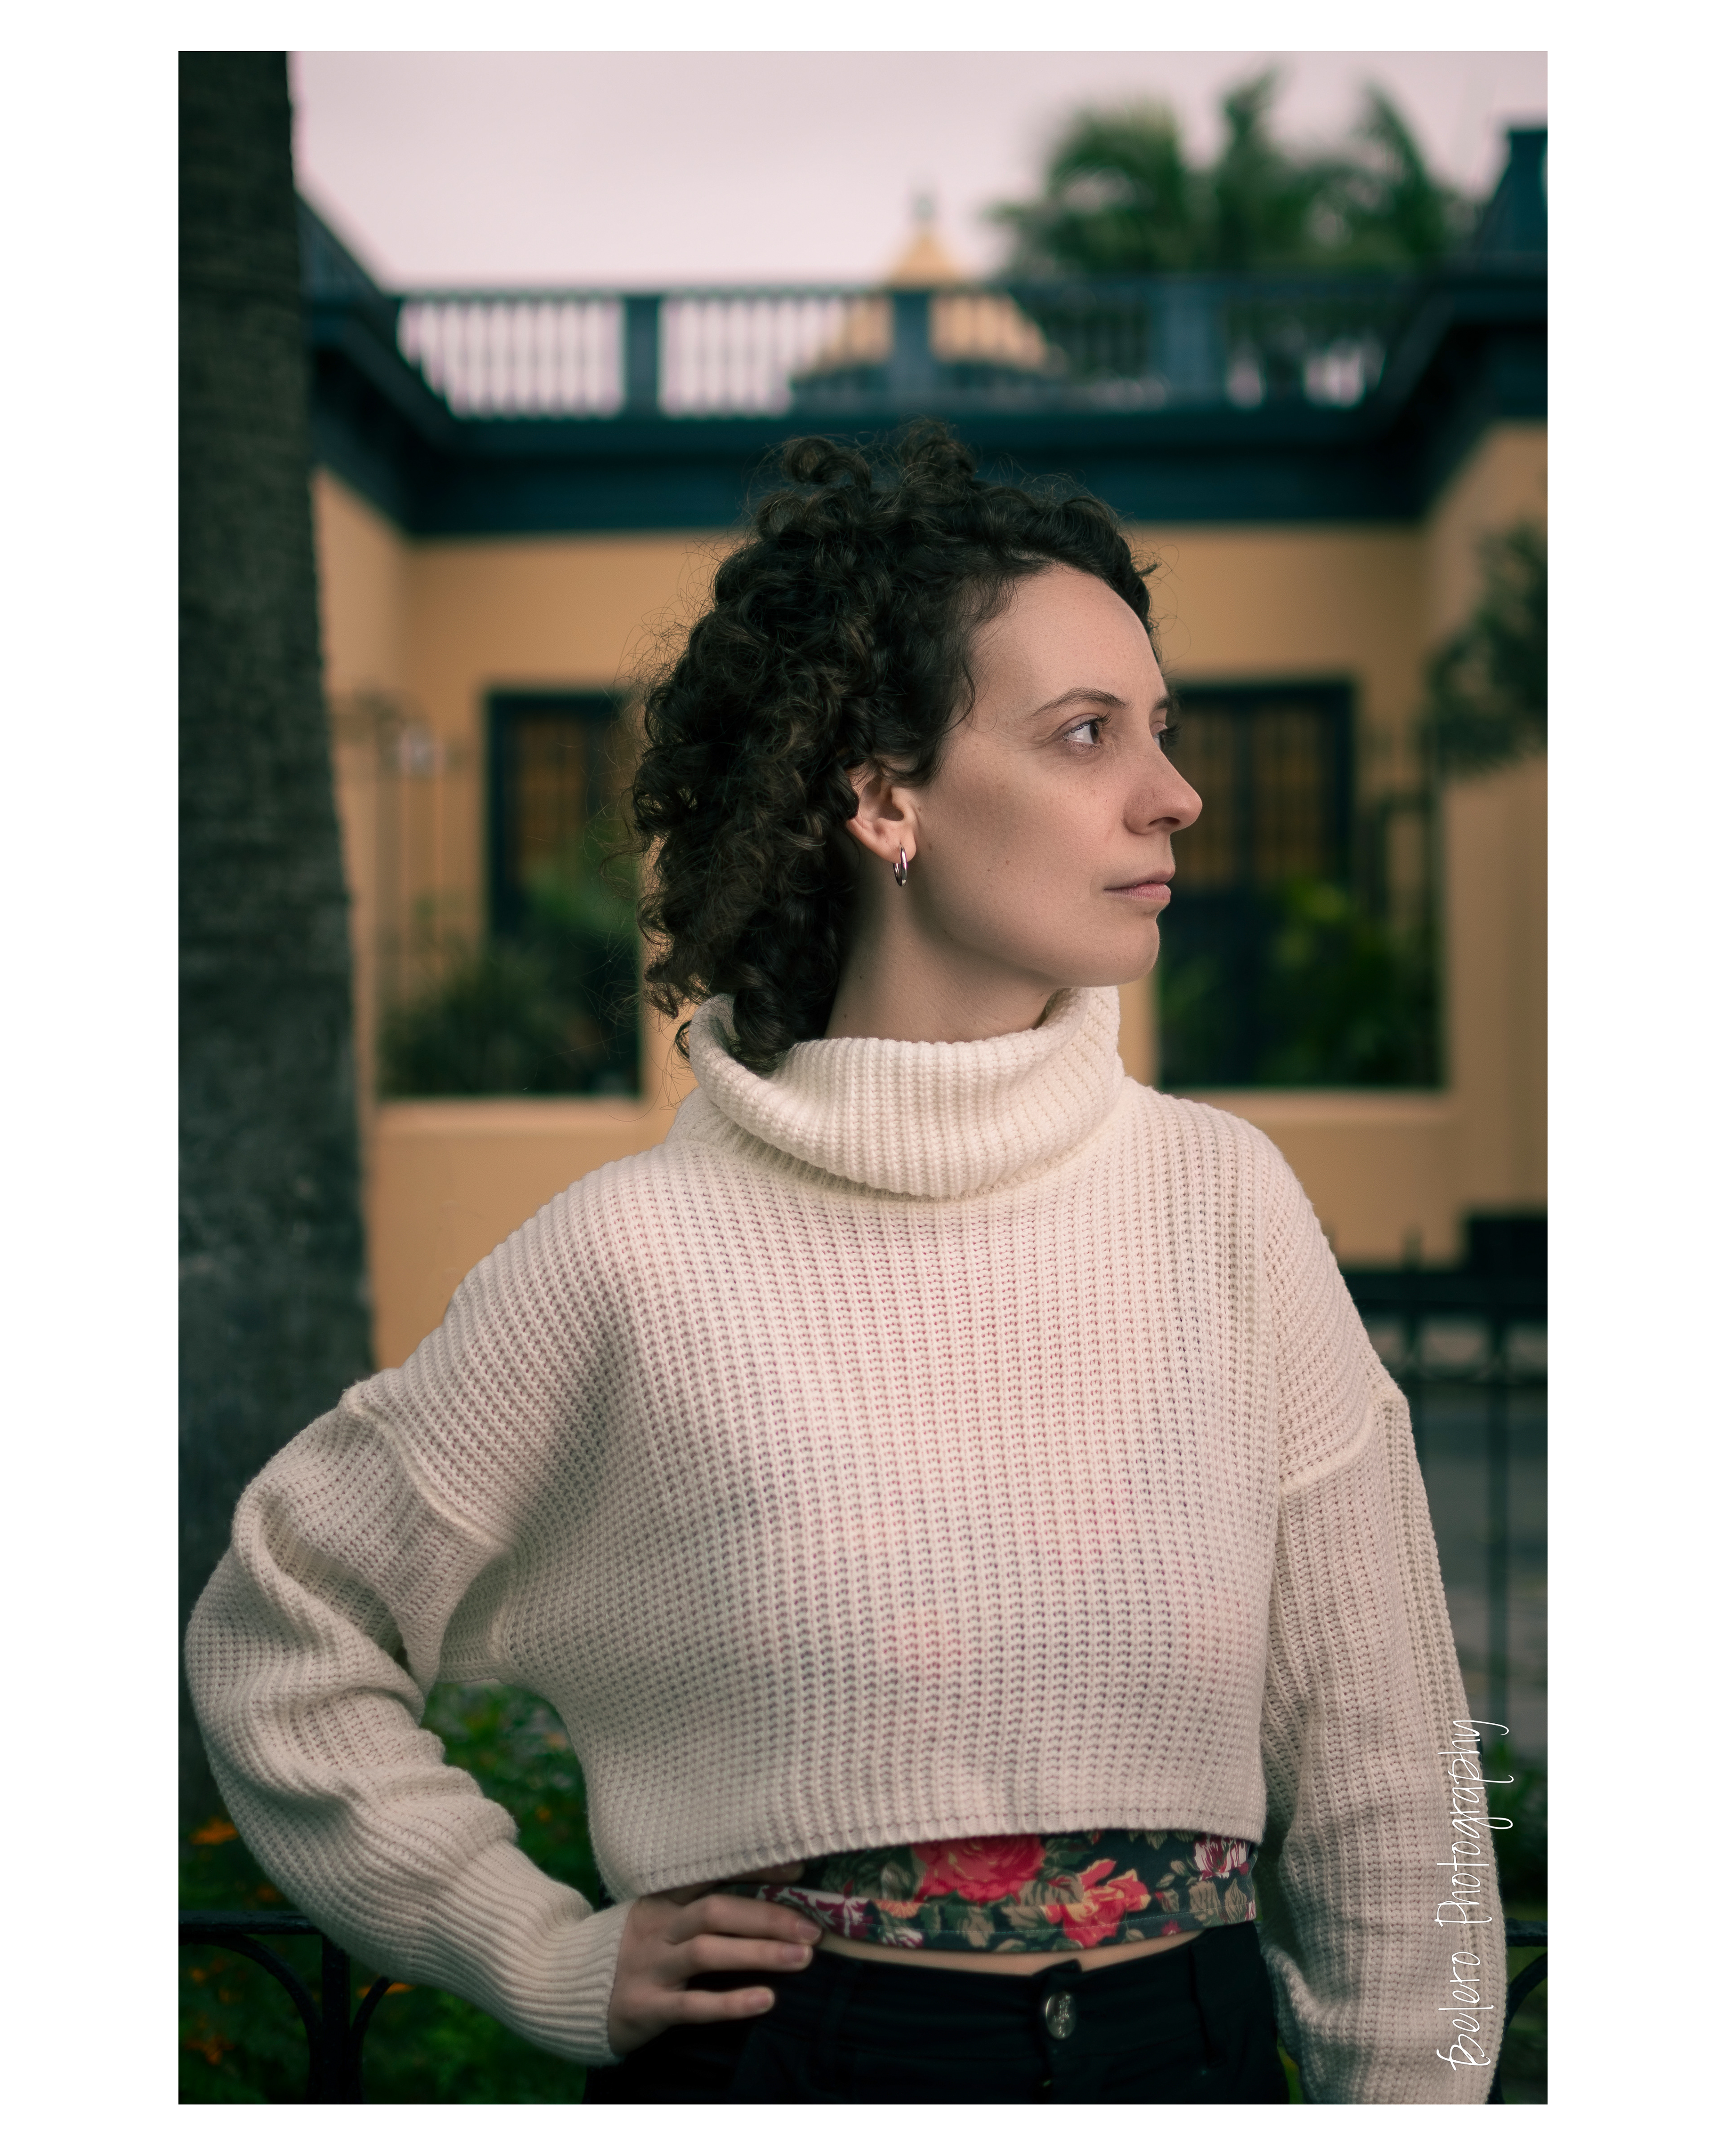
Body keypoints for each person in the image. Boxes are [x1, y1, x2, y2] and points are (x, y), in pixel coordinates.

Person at [187, 426, 1504, 2104]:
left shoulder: (1223, 1208)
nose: (1173, 792)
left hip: (1190, 2064)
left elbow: (1397, 1784)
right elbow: (284, 1630)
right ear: (883, 800)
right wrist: (531, 1947)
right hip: (784, 2070)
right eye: (1085, 732)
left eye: (1159, 729)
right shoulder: (630, 1259)